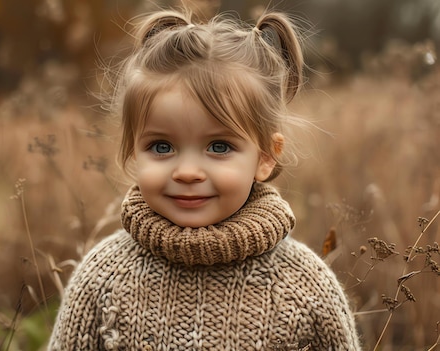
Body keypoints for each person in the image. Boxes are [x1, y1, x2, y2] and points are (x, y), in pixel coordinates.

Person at [48, 7, 361, 351]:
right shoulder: (103, 276)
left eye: (218, 146)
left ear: (265, 156)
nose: (187, 172)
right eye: (162, 146)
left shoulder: (304, 286)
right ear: (133, 150)